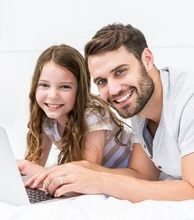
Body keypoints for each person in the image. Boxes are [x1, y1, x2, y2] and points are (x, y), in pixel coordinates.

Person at [25, 23, 194, 202]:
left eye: (120, 71)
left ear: (147, 58)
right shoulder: (138, 104)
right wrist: (79, 170)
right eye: (101, 81)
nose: (112, 89)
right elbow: (142, 174)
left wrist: (100, 182)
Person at [17, 44, 134, 178]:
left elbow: (85, 175)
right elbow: (34, 164)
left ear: (80, 90)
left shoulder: (93, 115)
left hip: (130, 172)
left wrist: (26, 167)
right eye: (44, 85)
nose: (53, 95)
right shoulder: (46, 118)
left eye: (65, 87)